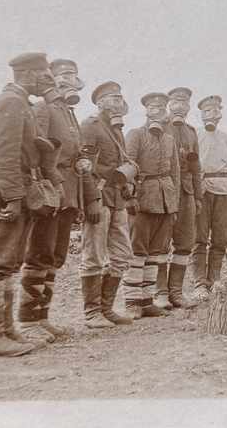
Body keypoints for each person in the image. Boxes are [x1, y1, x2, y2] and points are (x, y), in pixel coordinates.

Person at [0, 52, 56, 357]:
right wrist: (14, 198)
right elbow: (3, 155)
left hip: (15, 190)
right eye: (45, 75)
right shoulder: (10, 102)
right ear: (29, 74)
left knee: (8, 262)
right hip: (7, 192)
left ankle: (5, 331)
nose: (49, 80)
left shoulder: (21, 103)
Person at [18, 58, 101, 343]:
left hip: (69, 192)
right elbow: (35, 150)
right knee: (39, 251)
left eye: (74, 74)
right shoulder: (43, 108)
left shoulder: (68, 112)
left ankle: (43, 317)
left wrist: (87, 196)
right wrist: (42, 189)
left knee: (56, 255)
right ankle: (28, 321)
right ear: (51, 79)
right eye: (63, 74)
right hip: (49, 193)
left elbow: (78, 158)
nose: (69, 79)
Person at [77, 81, 135, 328]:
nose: (117, 101)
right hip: (99, 197)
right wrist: (90, 200)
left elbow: (119, 163)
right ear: (99, 102)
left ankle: (106, 308)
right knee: (94, 254)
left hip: (117, 198)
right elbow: (84, 166)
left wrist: (127, 190)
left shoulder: (116, 128)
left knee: (122, 253)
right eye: (112, 97)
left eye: (120, 97)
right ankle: (92, 313)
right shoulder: (91, 125)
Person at [122, 93, 181, 317]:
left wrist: (173, 204)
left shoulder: (169, 139)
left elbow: (174, 172)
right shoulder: (135, 134)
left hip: (165, 200)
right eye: (153, 107)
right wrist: (130, 198)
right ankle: (132, 302)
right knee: (137, 251)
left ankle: (147, 301)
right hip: (143, 199)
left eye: (162, 107)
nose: (158, 110)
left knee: (157, 252)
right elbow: (127, 168)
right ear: (146, 110)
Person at [159, 86, 201, 308]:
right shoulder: (159, 126)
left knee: (185, 242)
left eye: (184, 103)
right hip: (164, 190)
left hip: (186, 192)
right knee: (160, 242)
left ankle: (176, 292)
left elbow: (196, 167)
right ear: (169, 104)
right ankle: (160, 293)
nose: (180, 107)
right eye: (176, 102)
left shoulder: (191, 132)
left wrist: (199, 196)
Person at [193, 95, 227, 297]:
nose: (212, 114)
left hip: (224, 191)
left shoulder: (226, 138)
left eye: (215, 111)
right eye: (207, 111)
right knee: (200, 237)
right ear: (202, 115)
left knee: (221, 238)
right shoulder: (195, 135)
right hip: (203, 191)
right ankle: (199, 283)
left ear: (220, 114)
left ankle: (215, 280)